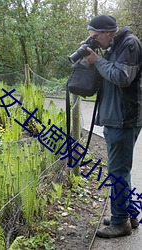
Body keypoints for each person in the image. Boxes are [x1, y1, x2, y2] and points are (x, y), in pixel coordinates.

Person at [84, 15, 142, 238]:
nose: (95, 41)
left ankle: (120, 223)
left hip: (123, 118)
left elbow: (121, 77)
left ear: (108, 32)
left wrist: (97, 61)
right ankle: (128, 214)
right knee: (121, 170)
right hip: (115, 117)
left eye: (96, 37)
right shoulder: (114, 46)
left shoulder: (129, 44)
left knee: (118, 172)